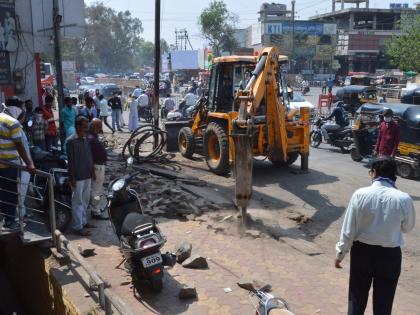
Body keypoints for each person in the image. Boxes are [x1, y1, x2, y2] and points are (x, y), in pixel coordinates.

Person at [335, 157, 415, 315]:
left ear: (374, 173)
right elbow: (407, 228)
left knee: (356, 300)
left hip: (362, 253)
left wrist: (340, 253)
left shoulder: (360, 194)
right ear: (394, 175)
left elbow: (348, 229)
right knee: (384, 304)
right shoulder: (404, 198)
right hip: (389, 256)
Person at [0, 99, 35, 231]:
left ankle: (9, 219)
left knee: (4, 194)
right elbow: (19, 146)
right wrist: (29, 164)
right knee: (12, 194)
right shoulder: (13, 123)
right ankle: (10, 221)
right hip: (11, 165)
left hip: (3, 163)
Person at [66, 115, 95, 236]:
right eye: (84, 127)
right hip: (77, 176)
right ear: (78, 127)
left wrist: (92, 171)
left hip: (87, 174)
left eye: (87, 127)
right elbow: (71, 161)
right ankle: (78, 227)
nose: (86, 129)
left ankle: (83, 221)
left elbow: (89, 156)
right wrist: (72, 177)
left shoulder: (85, 138)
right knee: (77, 202)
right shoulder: (71, 141)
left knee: (85, 200)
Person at [86, 119, 108, 220]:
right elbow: (89, 156)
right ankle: (95, 211)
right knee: (96, 191)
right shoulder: (91, 138)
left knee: (96, 190)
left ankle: (94, 208)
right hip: (96, 167)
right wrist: (91, 170)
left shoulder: (92, 136)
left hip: (98, 165)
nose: (101, 129)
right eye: (99, 126)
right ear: (95, 127)